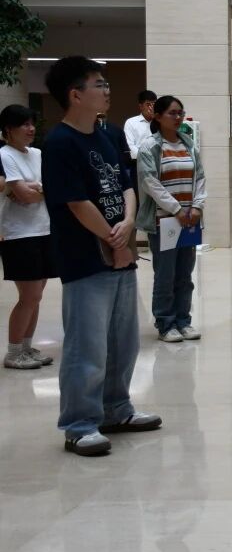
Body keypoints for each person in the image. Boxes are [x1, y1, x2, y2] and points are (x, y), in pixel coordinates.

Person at [42, 56, 161, 456]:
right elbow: (77, 203)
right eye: (98, 84)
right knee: (87, 345)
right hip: (85, 258)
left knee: (123, 342)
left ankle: (116, 409)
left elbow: (126, 185)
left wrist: (128, 224)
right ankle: (79, 424)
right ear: (75, 95)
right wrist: (116, 241)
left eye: (106, 83)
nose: (107, 90)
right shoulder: (59, 143)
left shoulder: (108, 133)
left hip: (120, 251)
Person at [136, 95, 207, 343]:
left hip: (189, 221)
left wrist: (197, 207)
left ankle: (183, 321)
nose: (178, 118)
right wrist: (176, 209)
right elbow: (150, 182)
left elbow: (200, 177)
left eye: (180, 113)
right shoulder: (150, 147)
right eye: (172, 113)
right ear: (158, 116)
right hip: (164, 220)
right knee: (165, 275)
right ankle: (165, 323)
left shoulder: (188, 143)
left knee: (185, 275)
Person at [1, 105, 56, 370]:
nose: (31, 129)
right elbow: (23, 195)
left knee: (37, 295)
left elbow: (49, 187)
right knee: (29, 296)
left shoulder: (37, 154)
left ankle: (25, 347)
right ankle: (13, 353)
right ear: (8, 130)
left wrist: (35, 188)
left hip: (43, 229)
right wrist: (32, 189)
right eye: (24, 124)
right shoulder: (5, 154)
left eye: (32, 123)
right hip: (19, 234)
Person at [122, 89, 156, 164]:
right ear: (141, 106)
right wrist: (146, 158)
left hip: (159, 162)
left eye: (154, 104)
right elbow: (130, 145)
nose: (151, 107)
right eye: (148, 105)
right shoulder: (131, 122)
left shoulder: (160, 122)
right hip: (138, 162)